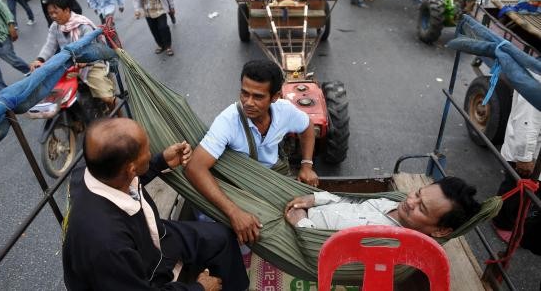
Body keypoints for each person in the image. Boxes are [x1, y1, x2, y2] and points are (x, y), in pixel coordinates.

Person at [63, 117, 249, 290]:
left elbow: (125, 178)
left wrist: (160, 161)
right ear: (131, 168)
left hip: (150, 236)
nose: (150, 152)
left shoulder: (94, 170)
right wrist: (200, 287)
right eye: (147, 150)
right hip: (134, 270)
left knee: (221, 238)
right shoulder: (108, 245)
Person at [185, 60, 319, 244]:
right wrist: (234, 213)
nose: (248, 102)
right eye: (244, 93)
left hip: (269, 178)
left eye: (257, 96)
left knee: (306, 214)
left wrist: (306, 165)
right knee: (237, 237)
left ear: (275, 97)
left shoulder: (285, 111)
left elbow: (307, 127)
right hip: (237, 185)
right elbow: (195, 168)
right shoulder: (228, 121)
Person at [285, 176, 481, 238]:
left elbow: (324, 250)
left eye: (422, 209)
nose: (410, 202)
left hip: (295, 232)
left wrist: (301, 222)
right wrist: (316, 198)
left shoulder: (387, 242)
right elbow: (351, 203)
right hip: (303, 208)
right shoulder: (392, 202)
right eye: (418, 193)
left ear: (440, 230)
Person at [30, 0, 118, 111]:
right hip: (69, 65)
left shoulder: (83, 25)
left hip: (91, 65)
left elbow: (90, 44)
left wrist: (84, 59)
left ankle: (118, 114)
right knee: (55, 93)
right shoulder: (55, 27)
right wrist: (39, 60)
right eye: (50, 13)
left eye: (56, 12)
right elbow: (49, 46)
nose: (53, 16)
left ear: (66, 10)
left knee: (107, 98)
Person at [492, 80, 541, 253]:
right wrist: (525, 156)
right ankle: (502, 222)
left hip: (535, 153)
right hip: (528, 154)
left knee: (527, 191)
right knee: (514, 187)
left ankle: (519, 220)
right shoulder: (537, 78)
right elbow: (527, 120)